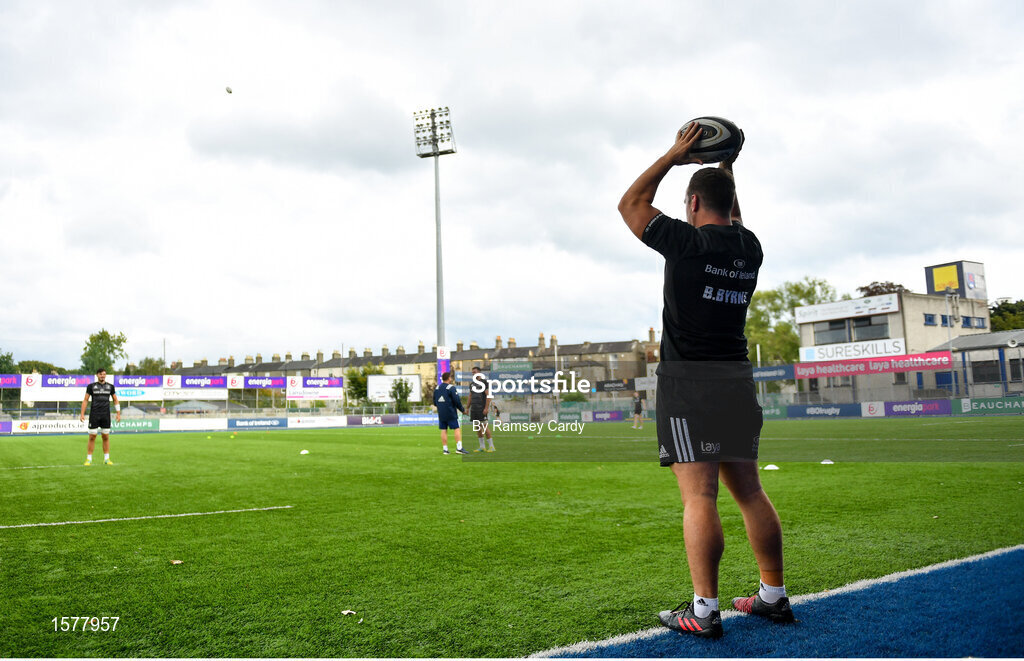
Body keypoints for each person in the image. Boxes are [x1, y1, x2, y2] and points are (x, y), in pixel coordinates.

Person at [618, 122, 792, 639]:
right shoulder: (750, 248)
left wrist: (675, 154)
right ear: (731, 203)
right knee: (750, 491)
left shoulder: (686, 244)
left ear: (692, 204)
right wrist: (724, 169)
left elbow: (631, 203)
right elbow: (731, 217)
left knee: (700, 498)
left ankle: (705, 609)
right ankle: (773, 597)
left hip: (689, 387)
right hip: (736, 380)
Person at [80, 368, 120, 466]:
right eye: (101, 374)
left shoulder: (110, 387)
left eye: (104, 374)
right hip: (94, 414)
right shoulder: (91, 386)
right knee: (92, 436)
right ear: (97, 375)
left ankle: (106, 459)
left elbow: (115, 400)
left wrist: (118, 413)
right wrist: (82, 413)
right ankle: (88, 459)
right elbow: (85, 400)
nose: (102, 376)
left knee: (105, 436)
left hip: (105, 415)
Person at [433, 371, 468, 455]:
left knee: (443, 430)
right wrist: (463, 410)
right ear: (449, 378)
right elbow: (457, 401)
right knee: (456, 428)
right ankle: (459, 448)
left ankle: (445, 450)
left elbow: (434, 402)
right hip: (450, 412)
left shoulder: (437, 388)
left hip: (441, 413)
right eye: (451, 377)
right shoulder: (451, 388)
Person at [468, 366, 496, 452]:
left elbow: (488, 396)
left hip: (481, 409)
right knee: (477, 428)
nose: (473, 373)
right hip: (474, 409)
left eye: (475, 372)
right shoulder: (472, 384)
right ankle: (482, 446)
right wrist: (467, 408)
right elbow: (470, 396)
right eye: (472, 372)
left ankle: (491, 446)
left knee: (484, 427)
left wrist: (486, 408)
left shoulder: (484, 382)